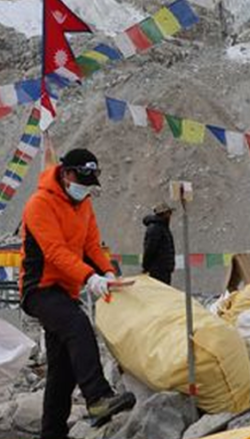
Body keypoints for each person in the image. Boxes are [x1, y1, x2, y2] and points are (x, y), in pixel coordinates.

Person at [21, 148, 136, 438]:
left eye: (89, 185)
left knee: (62, 372)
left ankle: (52, 434)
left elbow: (92, 246)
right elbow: (55, 252)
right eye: (81, 182)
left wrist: (107, 272)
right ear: (66, 173)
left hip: (66, 289)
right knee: (78, 325)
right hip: (40, 289)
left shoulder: (83, 204)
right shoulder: (39, 204)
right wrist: (90, 278)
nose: (85, 190)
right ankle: (97, 398)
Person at [141, 203, 176, 286]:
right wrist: (146, 267)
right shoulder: (155, 228)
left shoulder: (162, 227)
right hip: (158, 270)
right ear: (163, 214)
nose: (170, 216)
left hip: (163, 269)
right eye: (169, 213)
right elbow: (150, 249)